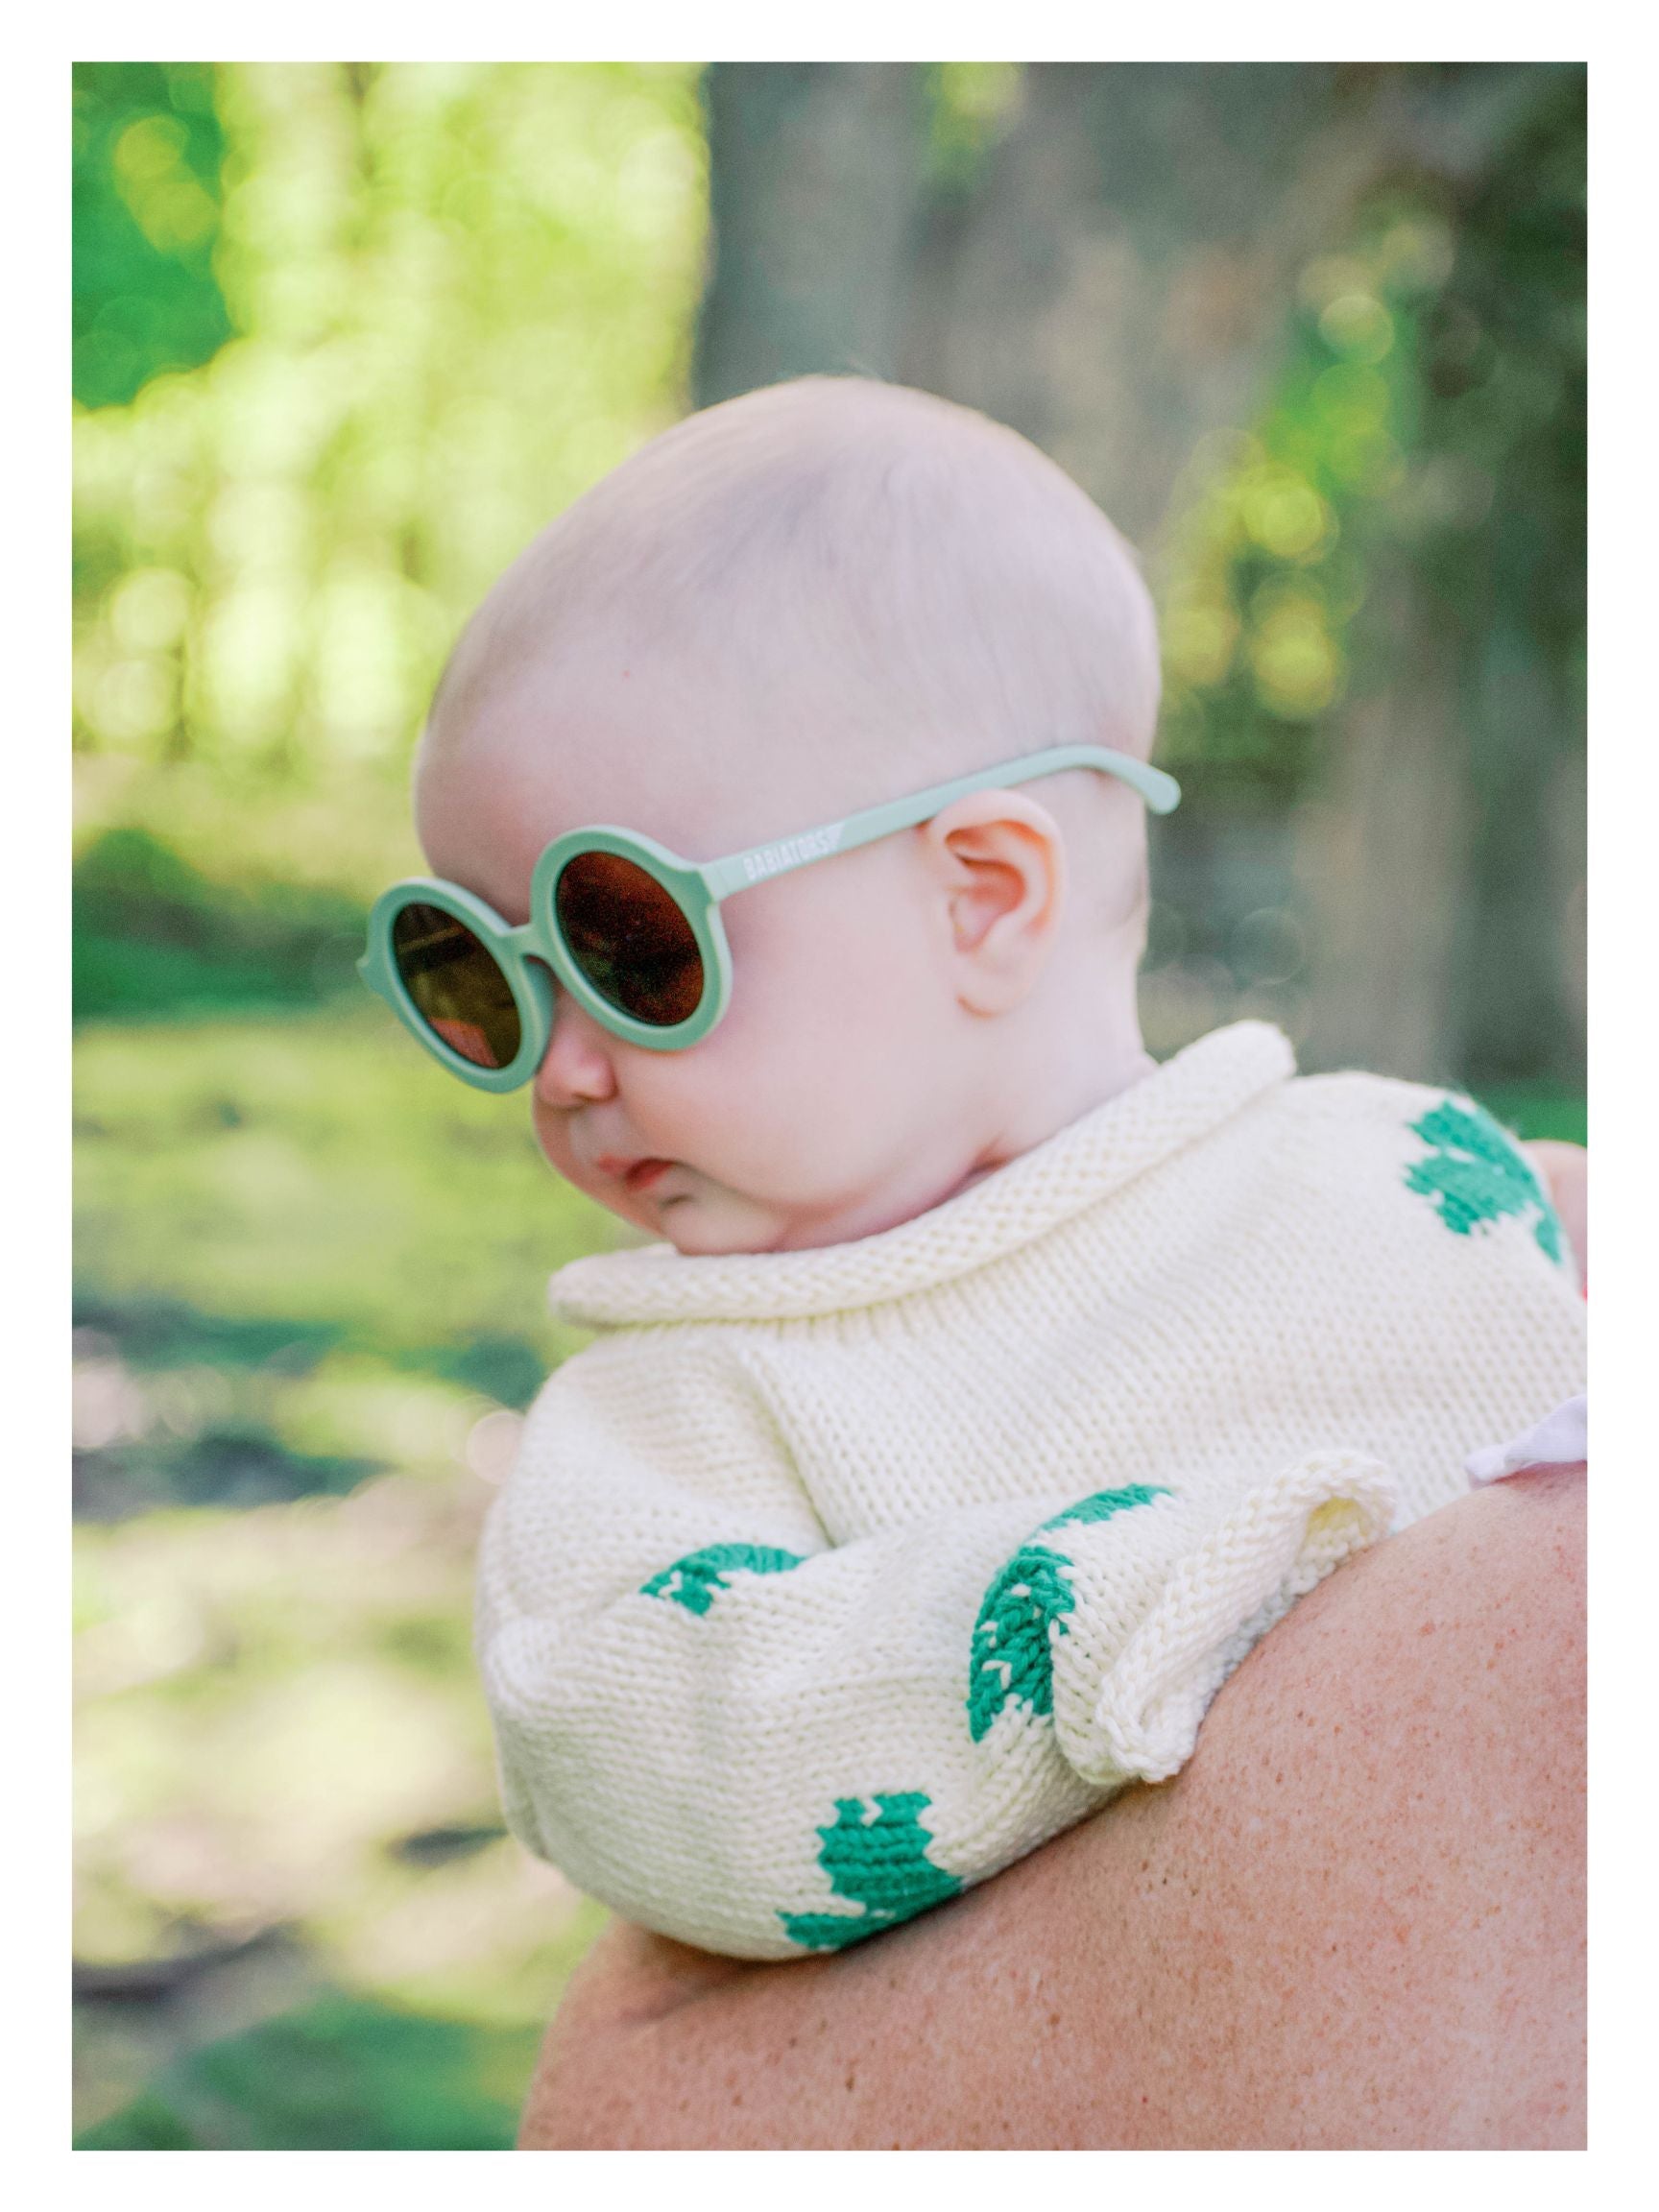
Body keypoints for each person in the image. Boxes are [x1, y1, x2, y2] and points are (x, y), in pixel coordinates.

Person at [360, 377, 1585, 1980]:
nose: (562, 1065)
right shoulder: (681, 1420)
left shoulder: (1431, 1183)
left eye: (630, 949)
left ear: (986, 901)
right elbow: (644, 1755)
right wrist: (1118, 1609)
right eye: (479, 973)